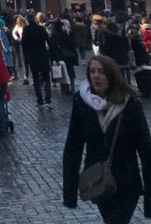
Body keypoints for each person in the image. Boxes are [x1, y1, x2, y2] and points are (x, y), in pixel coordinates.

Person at [63, 54, 151, 223]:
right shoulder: (82, 103)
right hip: (98, 181)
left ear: (111, 75)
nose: (96, 75)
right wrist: (70, 193)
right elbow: (73, 147)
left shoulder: (130, 103)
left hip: (127, 182)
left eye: (101, 72)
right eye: (92, 71)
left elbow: (146, 150)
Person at [24, 11, 55, 108]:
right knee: (46, 78)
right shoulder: (41, 29)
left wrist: (27, 57)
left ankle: (40, 100)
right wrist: (51, 53)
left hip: (33, 57)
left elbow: (24, 45)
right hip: (43, 55)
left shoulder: (26, 30)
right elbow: (49, 41)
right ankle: (48, 99)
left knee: (36, 80)